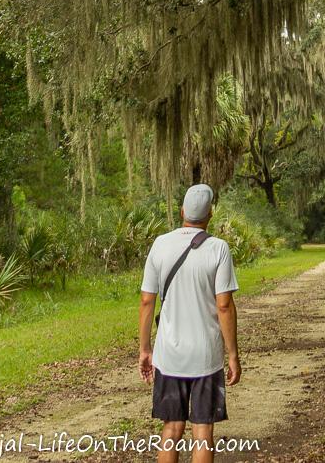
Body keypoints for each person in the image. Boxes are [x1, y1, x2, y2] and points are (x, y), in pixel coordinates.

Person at [139, 183, 242, 457]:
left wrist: (145, 349)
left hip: (169, 353)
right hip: (205, 356)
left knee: (171, 427)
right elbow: (224, 305)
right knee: (202, 431)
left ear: (182, 210)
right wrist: (232, 354)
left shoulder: (160, 244)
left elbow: (147, 300)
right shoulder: (218, 249)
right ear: (210, 214)